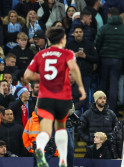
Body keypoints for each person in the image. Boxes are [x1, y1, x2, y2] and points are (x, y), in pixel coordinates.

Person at [24, 27, 86, 167]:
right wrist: (81, 87)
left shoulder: (41, 54)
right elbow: (74, 68)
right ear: (63, 39)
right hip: (61, 97)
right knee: (61, 129)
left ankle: (39, 148)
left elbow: (27, 76)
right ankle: (63, 160)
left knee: (45, 132)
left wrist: (44, 78)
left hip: (45, 97)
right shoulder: (67, 53)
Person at [95, 7, 124, 112]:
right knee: (114, 85)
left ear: (109, 15)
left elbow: (97, 44)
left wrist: (97, 58)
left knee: (103, 83)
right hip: (118, 60)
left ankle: (99, 108)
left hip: (104, 59)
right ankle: (111, 110)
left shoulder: (104, 28)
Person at [66, 25, 98, 111]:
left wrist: (85, 56)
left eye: (80, 32)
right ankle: (74, 112)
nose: (78, 34)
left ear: (83, 33)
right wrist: (74, 55)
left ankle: (87, 114)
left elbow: (96, 59)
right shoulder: (69, 45)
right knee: (73, 95)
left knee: (86, 95)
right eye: (76, 32)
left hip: (86, 74)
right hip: (73, 76)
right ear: (73, 34)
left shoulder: (89, 44)